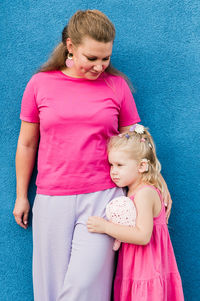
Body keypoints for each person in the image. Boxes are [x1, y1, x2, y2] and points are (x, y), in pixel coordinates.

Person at [13, 9, 172, 301]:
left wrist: (155, 182)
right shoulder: (40, 84)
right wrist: (22, 195)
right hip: (51, 198)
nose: (100, 66)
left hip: (104, 198)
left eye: (106, 58)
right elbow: (26, 145)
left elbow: (135, 142)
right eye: (92, 58)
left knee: (87, 288)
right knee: (50, 289)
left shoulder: (117, 86)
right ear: (70, 46)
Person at [87, 124, 184, 301]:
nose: (113, 171)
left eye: (120, 165)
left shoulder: (145, 193)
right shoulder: (131, 191)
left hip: (147, 271)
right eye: (111, 165)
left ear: (141, 166)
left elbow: (142, 235)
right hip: (135, 269)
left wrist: (105, 226)